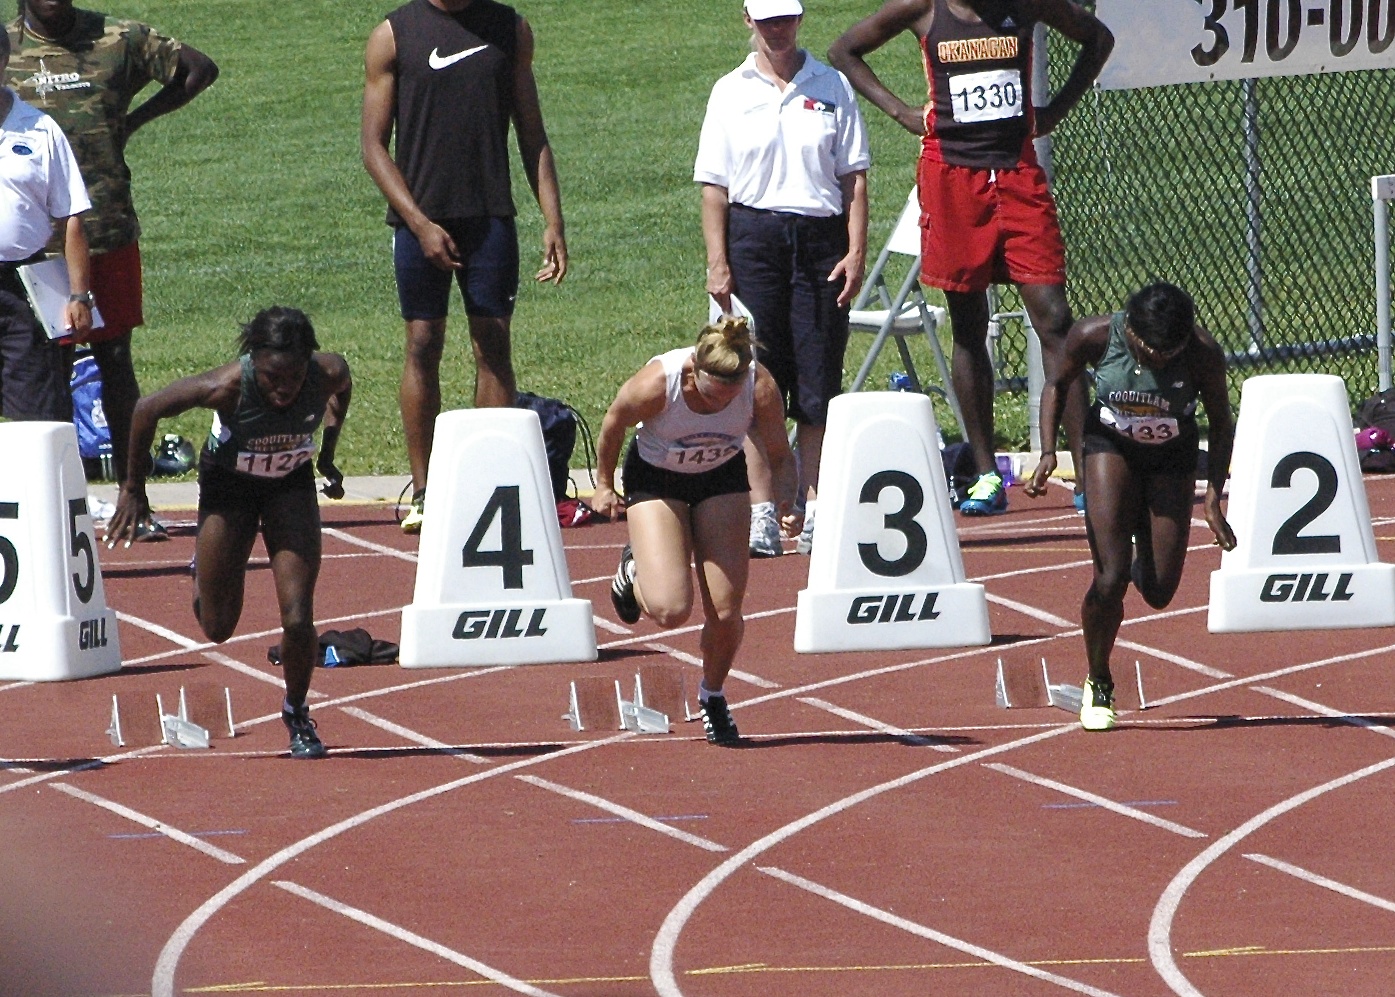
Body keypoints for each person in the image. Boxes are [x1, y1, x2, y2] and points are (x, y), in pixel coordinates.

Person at [829, 0, 1112, 516]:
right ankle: (985, 474)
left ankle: (1087, 470)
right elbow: (844, 50)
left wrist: (1056, 109)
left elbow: (1098, 39)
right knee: (968, 323)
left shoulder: (1028, 5)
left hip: (1017, 172)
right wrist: (900, 111)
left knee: (1055, 320)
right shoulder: (923, 9)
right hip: (952, 176)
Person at [106, 307, 353, 760]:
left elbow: (342, 389)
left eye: (293, 378)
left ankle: (297, 711)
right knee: (218, 628)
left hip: (289, 485)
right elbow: (146, 410)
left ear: (309, 363)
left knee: (298, 616)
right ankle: (204, 564)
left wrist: (328, 454)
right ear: (253, 362)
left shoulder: (328, 371)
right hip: (229, 487)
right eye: (271, 377)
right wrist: (133, 488)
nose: (282, 389)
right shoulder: (227, 386)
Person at [361, 0, 568, 535]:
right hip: (419, 220)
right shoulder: (393, 34)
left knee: (493, 345)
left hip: (489, 217)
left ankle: (486, 482)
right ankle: (426, 490)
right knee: (423, 342)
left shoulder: (509, 28)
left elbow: (533, 133)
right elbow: (373, 147)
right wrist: (420, 223)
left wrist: (553, 219)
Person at [6, 0, 218, 508]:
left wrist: (134, 119)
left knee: (114, 360)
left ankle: (133, 493)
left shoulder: (117, 37)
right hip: (33, 247)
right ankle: (51, 501)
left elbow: (199, 69)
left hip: (104, 227)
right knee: (41, 374)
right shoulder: (5, 48)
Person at [696, 0, 869, 558]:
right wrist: (717, 261)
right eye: (766, 19)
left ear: (800, 19)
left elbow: (854, 178)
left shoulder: (832, 84)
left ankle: (816, 509)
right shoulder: (730, 90)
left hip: (819, 242)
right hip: (754, 241)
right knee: (755, 380)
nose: (777, 29)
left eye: (786, 18)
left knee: (818, 381)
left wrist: (856, 250)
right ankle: (763, 512)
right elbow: (714, 187)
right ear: (747, 19)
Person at [1024, 282, 1235, 731]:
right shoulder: (1094, 336)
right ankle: (1099, 680)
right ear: (1130, 332)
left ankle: (1138, 528)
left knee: (1159, 592)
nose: (1157, 361)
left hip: (1171, 458)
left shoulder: (1202, 353)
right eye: (1148, 353)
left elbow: (1221, 422)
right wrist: (1048, 452)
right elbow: (1057, 386)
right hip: (1110, 448)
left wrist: (1214, 497)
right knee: (1111, 576)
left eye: (1167, 355)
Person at [590, 317, 800, 745]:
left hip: (720, 479)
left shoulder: (759, 387)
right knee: (670, 612)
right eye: (714, 391)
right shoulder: (657, 384)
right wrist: (605, 485)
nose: (724, 400)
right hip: (656, 479)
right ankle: (634, 571)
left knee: (725, 611)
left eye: (732, 391)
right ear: (693, 372)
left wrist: (786, 501)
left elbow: (780, 454)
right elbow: (613, 424)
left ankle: (714, 695)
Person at [0, 26, 92, 421]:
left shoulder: (39, 129)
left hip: (23, 287)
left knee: (36, 415)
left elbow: (71, 214)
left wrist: (79, 296)